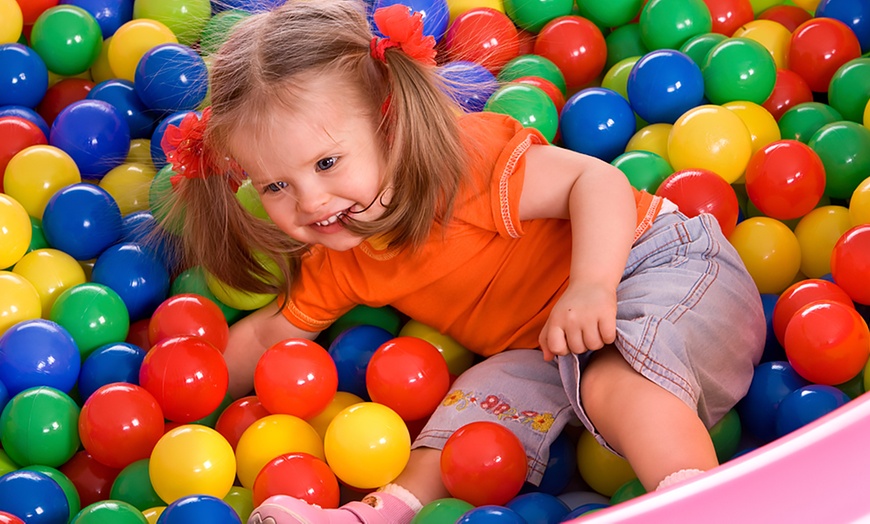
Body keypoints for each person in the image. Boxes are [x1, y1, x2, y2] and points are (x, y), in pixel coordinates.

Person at [158, 0, 766, 522]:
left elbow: (596, 182)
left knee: (608, 376)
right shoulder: (341, 256)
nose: (309, 202)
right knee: (464, 420)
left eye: (325, 164)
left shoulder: (464, 167)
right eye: (274, 187)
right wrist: (177, 398)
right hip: (550, 348)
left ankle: (697, 502)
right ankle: (380, 511)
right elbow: (269, 336)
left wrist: (591, 284)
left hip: (664, 270)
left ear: (389, 124)